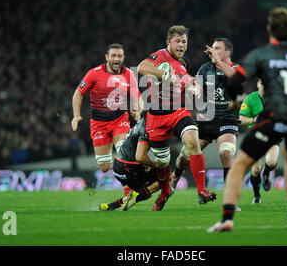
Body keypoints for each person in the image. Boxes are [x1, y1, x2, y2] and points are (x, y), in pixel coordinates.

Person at [207, 7, 287, 232]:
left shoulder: (262, 54)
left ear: (269, 30)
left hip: (276, 118)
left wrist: (235, 101)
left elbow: (235, 80)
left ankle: (226, 219)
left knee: (240, 164)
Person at [137, 25, 217, 211]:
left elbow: (191, 86)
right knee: (163, 163)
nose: (181, 45)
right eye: (177, 41)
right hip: (156, 117)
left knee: (192, 142)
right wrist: (165, 75)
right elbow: (142, 67)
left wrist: (195, 89)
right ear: (168, 42)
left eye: (184, 42)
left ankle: (202, 190)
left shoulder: (183, 65)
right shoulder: (160, 56)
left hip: (178, 112)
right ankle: (165, 193)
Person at [170, 38, 242, 210]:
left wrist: (219, 62)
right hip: (206, 120)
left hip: (227, 121)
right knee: (184, 157)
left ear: (227, 53)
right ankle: (174, 181)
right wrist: (192, 91)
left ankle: (230, 201)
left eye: (218, 49)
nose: (213, 51)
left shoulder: (237, 68)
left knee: (226, 154)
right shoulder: (205, 69)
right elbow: (197, 91)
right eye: (213, 48)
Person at [71, 43, 143, 197]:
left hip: (120, 120)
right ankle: (128, 181)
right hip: (99, 124)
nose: (116, 58)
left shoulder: (129, 74)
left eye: (119, 56)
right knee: (104, 166)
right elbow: (78, 94)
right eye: (113, 56)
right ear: (107, 57)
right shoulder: (94, 74)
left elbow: (137, 96)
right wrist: (76, 115)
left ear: (123, 58)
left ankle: (128, 193)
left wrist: (138, 111)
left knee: (123, 151)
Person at [99, 116, 169, 211]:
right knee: (164, 178)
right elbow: (140, 157)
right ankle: (133, 199)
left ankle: (111, 206)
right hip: (129, 166)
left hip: (117, 166)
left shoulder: (141, 123)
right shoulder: (147, 128)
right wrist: (152, 164)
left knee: (144, 193)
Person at [239, 79, 280, 204]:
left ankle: (266, 174)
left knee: (271, 162)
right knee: (256, 170)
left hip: (272, 135)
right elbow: (241, 119)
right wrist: (253, 120)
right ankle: (257, 195)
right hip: (256, 136)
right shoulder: (250, 99)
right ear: (258, 84)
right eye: (262, 83)